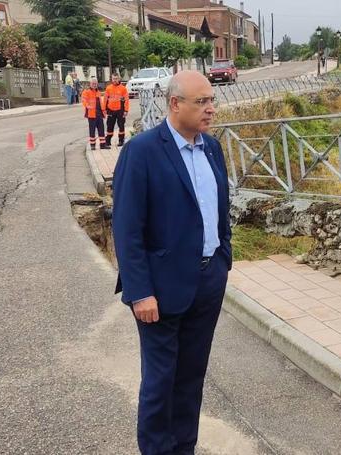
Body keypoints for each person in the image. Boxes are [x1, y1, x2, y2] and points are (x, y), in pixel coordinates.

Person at [112, 70, 232, 455]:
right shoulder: (143, 150)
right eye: (203, 102)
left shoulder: (212, 148)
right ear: (175, 103)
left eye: (213, 100)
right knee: (160, 383)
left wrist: (223, 260)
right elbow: (127, 228)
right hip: (160, 291)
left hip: (208, 281)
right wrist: (139, 291)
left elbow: (220, 212)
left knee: (191, 378)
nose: (211, 109)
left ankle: (184, 448)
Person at [81, 78, 107, 150]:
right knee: (92, 130)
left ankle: (102, 145)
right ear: (90, 84)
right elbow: (83, 100)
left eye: (95, 84)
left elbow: (100, 103)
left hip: (99, 114)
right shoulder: (86, 92)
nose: (94, 85)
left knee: (101, 130)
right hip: (91, 114)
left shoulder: (98, 92)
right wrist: (87, 105)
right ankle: (92, 145)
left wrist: (104, 111)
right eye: (93, 83)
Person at [105, 73, 130, 147]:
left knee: (121, 126)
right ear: (111, 79)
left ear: (119, 79)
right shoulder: (108, 88)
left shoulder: (123, 88)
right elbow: (105, 100)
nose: (115, 80)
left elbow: (126, 100)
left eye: (116, 78)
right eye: (113, 78)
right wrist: (104, 109)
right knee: (109, 126)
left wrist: (126, 110)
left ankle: (121, 141)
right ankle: (108, 141)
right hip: (110, 110)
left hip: (120, 110)